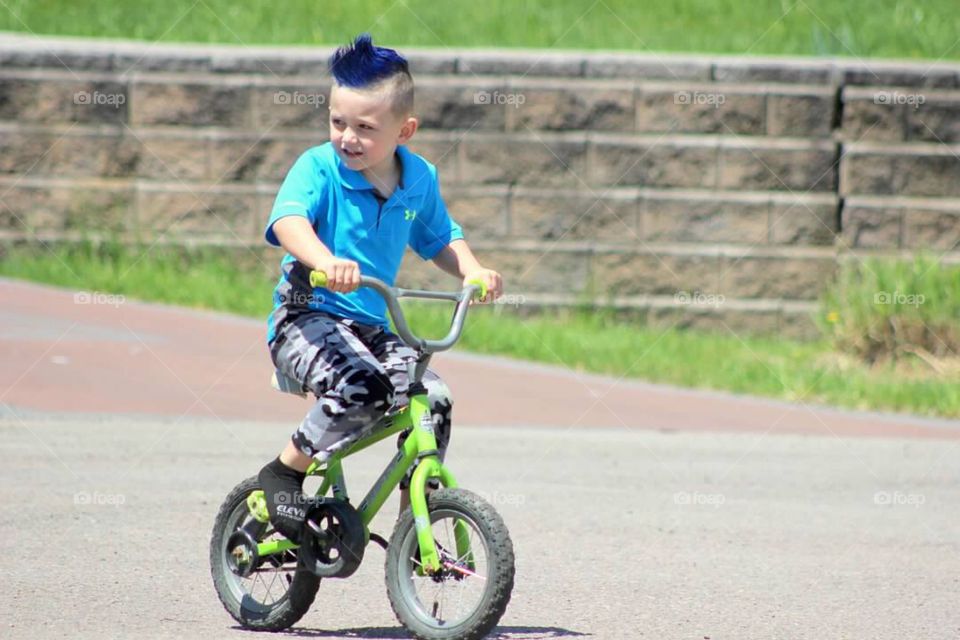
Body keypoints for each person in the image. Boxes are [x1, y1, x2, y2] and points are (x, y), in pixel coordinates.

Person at [257, 33, 503, 543]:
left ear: (404, 130)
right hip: (305, 317)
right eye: (337, 121)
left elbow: (439, 238)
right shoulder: (318, 167)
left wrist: (473, 270)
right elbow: (288, 221)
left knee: (431, 397)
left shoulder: (418, 179)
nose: (347, 137)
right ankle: (286, 471)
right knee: (364, 389)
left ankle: (419, 513)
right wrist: (326, 261)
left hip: (368, 326)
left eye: (365, 128)